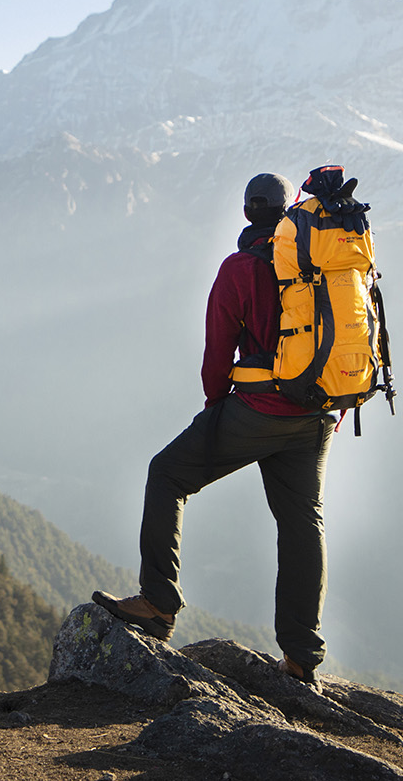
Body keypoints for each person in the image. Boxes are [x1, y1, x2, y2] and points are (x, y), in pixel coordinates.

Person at [93, 172, 337, 685]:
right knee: (301, 525)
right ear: (290, 211)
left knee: (166, 475)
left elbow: (215, 358)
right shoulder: (327, 262)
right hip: (316, 414)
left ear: (249, 213)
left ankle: (158, 603)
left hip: (257, 410)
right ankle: (301, 658)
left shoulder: (240, 268)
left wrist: (214, 412)